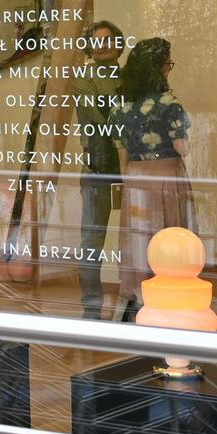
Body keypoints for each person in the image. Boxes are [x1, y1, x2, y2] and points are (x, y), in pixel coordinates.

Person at [107, 37, 194, 320]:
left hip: (135, 176)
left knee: (139, 239)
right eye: (168, 64)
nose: (169, 69)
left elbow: (121, 155)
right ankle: (167, 296)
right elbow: (183, 147)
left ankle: (138, 295)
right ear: (157, 68)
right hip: (166, 174)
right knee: (169, 236)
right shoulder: (169, 104)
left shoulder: (121, 107)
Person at [74, 20, 125, 319]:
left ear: (119, 43)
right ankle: (91, 308)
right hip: (98, 167)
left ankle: (132, 305)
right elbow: (100, 118)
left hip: (132, 168)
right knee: (92, 241)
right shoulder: (84, 77)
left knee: (133, 238)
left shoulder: (130, 76)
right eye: (97, 41)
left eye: (108, 40)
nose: (103, 45)